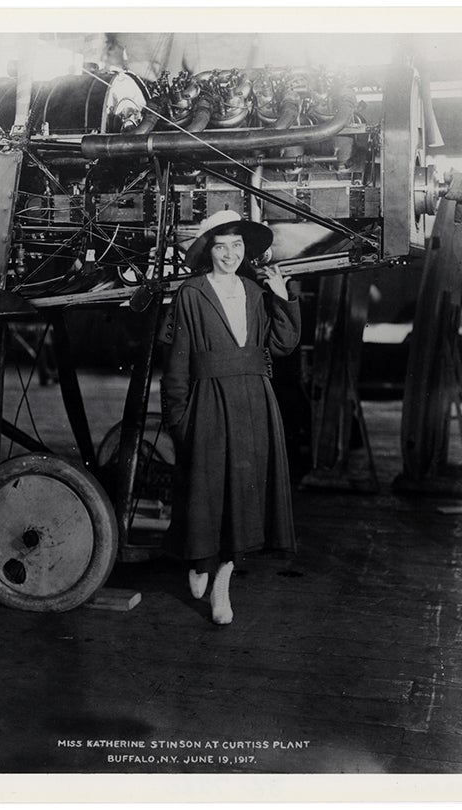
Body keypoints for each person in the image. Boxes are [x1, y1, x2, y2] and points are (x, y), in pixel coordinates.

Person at [159, 210, 301, 625]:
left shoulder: (256, 292)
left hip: (254, 400)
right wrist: (178, 418)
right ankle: (200, 562)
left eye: (237, 246)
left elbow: (283, 344)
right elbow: (177, 362)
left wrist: (282, 297)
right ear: (209, 250)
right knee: (206, 495)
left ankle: (222, 583)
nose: (229, 254)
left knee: (244, 498)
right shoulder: (192, 293)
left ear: (246, 250)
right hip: (207, 402)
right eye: (221, 246)